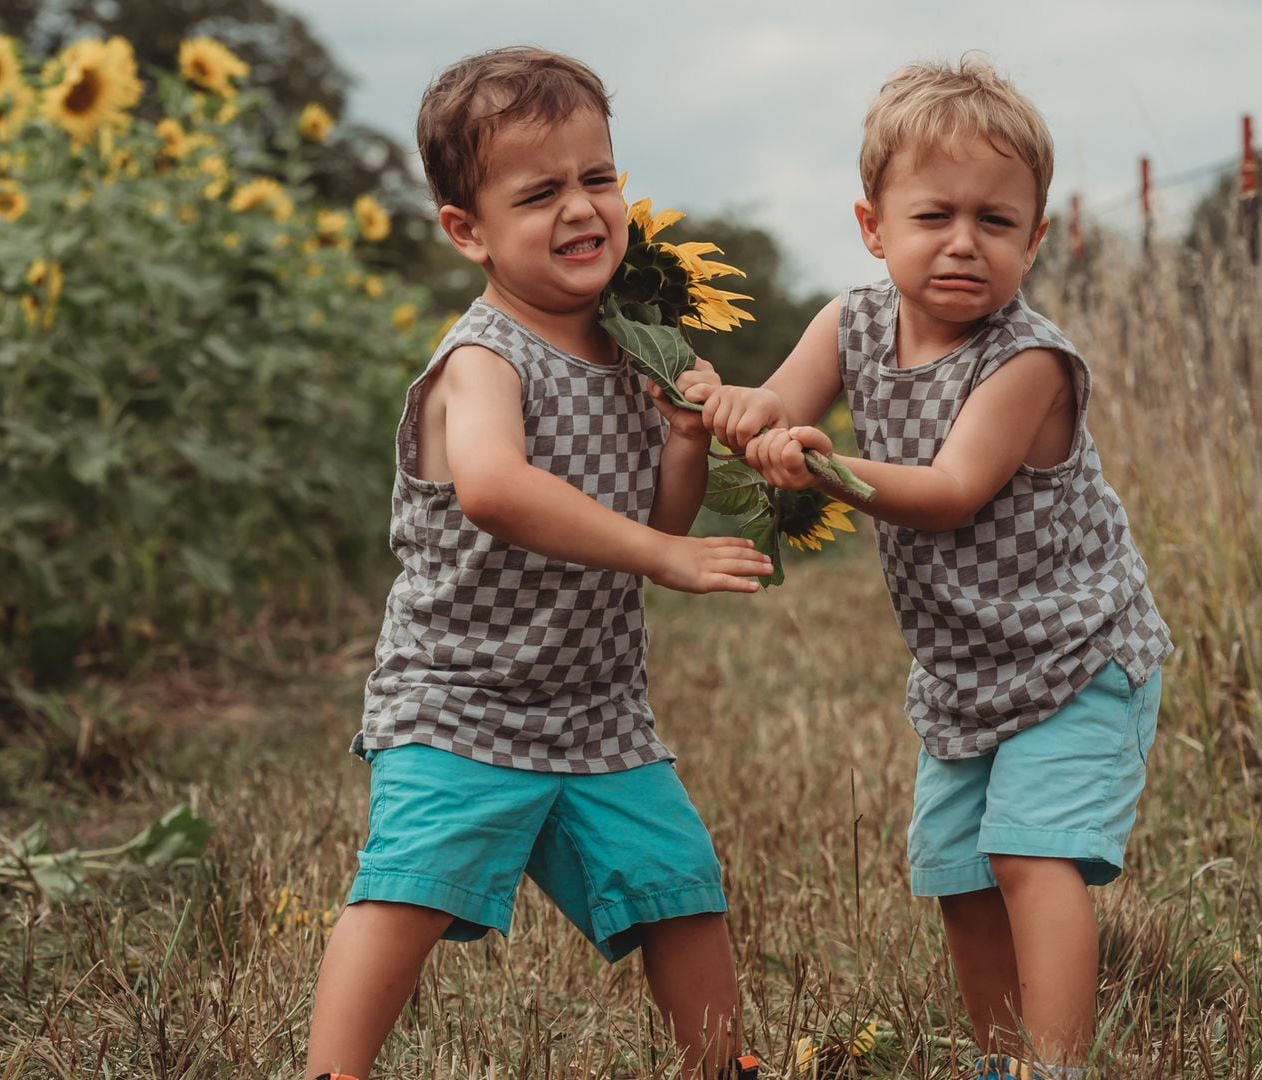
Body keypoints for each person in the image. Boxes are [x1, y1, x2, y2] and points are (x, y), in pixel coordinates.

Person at [698, 56, 1174, 1080]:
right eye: (934, 215)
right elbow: (780, 403)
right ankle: (997, 1060)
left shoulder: (1027, 361)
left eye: (996, 222)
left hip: (1075, 654)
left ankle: (1054, 1068)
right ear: (874, 226)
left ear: (1034, 240)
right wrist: (738, 411)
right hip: (963, 669)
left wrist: (822, 468)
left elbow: (954, 488)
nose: (964, 242)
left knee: (1028, 855)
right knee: (960, 874)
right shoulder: (851, 322)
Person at [304, 46, 770, 1080]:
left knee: (678, 885)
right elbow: (496, 490)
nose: (582, 209)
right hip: (459, 700)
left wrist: (686, 442)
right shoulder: (482, 361)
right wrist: (667, 553)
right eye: (541, 191)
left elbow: (656, 510)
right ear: (467, 230)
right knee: (410, 889)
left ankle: (724, 1066)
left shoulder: (628, 348)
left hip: (596, 706)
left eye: (598, 178)